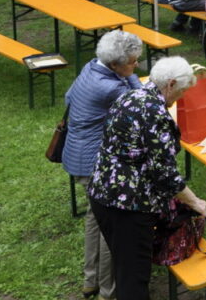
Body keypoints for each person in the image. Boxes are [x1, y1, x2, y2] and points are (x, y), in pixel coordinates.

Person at [87, 57, 205, 300]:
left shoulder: (131, 95)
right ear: (170, 84)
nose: (181, 97)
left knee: (124, 266)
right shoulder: (155, 113)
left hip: (101, 193)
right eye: (182, 91)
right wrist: (195, 202)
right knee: (134, 277)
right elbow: (165, 174)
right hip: (127, 206)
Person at [63, 30, 143, 300]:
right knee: (113, 229)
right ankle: (108, 291)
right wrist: (131, 79)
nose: (137, 66)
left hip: (76, 154)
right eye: (132, 62)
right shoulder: (112, 87)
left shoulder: (89, 68)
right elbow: (140, 104)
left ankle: (90, 280)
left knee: (94, 220)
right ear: (114, 65)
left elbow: (68, 97)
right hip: (96, 163)